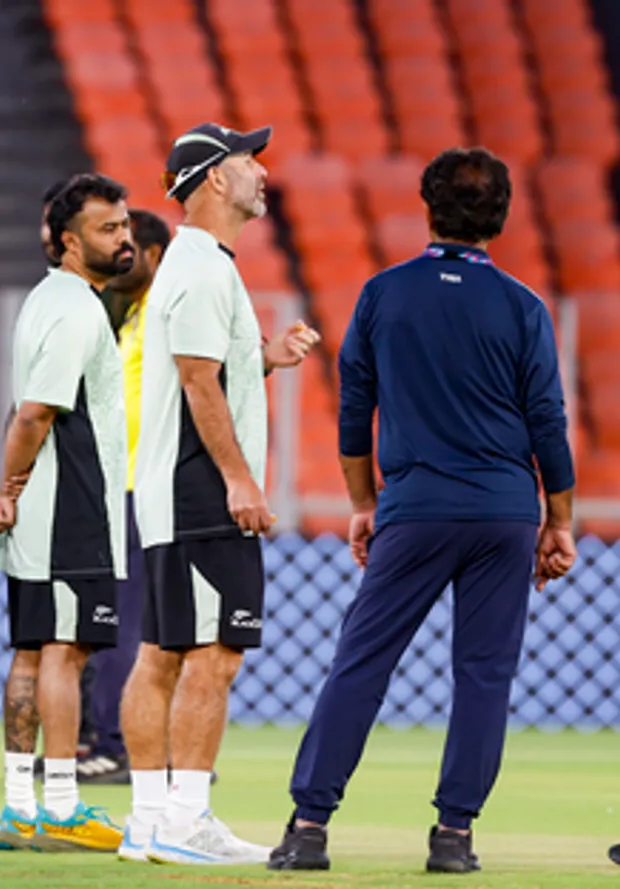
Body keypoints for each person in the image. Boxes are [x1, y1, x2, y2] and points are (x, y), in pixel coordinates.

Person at [268, 147, 576, 874]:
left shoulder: (383, 294)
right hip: (504, 511)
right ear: (500, 217)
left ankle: (309, 825)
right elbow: (548, 421)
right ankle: (454, 835)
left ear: (427, 208)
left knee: (361, 662)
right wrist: (557, 519)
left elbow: (354, 408)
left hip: (413, 507)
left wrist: (361, 504)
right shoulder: (523, 307)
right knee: (484, 673)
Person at [118, 123, 320, 866]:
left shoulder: (197, 264)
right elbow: (198, 382)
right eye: (247, 161)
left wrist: (261, 359)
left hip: (172, 486)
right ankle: (187, 819)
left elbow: (204, 371)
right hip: (202, 488)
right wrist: (240, 477)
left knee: (162, 653)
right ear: (211, 179)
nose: (260, 173)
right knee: (216, 654)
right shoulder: (203, 268)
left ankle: (148, 820)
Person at [0, 173, 133, 853]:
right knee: (66, 655)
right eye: (108, 227)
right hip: (71, 505)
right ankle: (65, 808)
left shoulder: (48, 301)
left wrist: (13, 496)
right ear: (69, 243)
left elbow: (25, 408)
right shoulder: (75, 309)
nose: (124, 237)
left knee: (31, 652)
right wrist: (9, 489)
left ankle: (19, 809)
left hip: (42, 510)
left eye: (125, 224)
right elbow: (36, 412)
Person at [77, 210, 171, 786]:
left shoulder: (164, 315)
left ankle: (120, 745)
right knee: (117, 623)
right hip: (123, 489)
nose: (120, 257)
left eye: (129, 248)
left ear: (155, 255)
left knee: (126, 624)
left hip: (143, 490)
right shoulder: (132, 317)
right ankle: (117, 741)